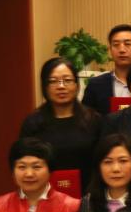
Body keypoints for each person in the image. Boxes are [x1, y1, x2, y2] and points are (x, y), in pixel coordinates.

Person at [19, 57, 102, 189]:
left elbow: (102, 161)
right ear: (45, 87)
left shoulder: (93, 120)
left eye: (67, 80)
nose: (61, 86)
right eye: (53, 81)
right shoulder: (33, 123)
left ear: (76, 85)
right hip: (46, 195)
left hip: (89, 195)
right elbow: (25, 164)